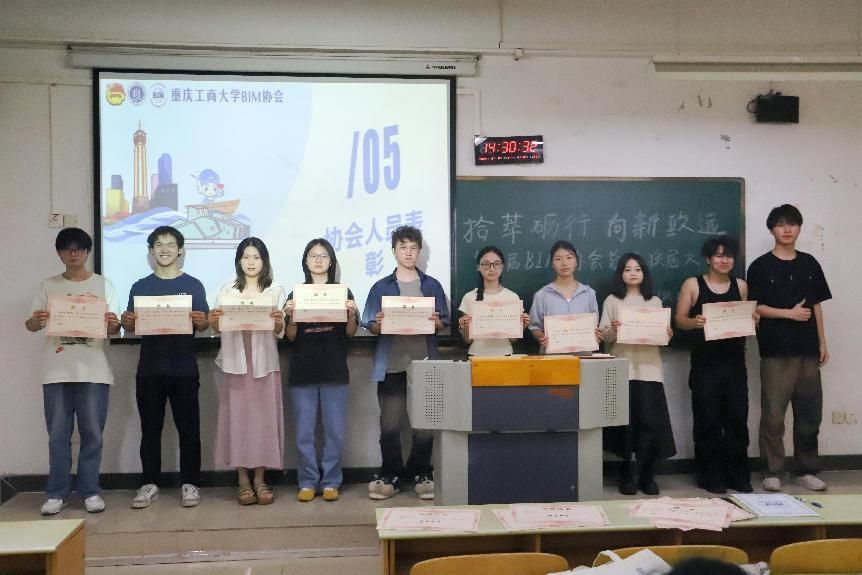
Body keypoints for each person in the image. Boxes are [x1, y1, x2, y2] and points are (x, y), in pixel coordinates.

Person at [26, 228, 121, 515]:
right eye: (67, 249)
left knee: (93, 435)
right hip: (57, 371)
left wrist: (113, 324)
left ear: (88, 252)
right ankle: (57, 493)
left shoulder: (104, 284)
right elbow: (30, 325)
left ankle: (90, 491)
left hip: (94, 371)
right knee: (58, 435)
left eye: (79, 248)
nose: (74, 253)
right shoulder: (48, 286)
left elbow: (114, 329)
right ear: (59, 253)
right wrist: (37, 320)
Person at [121, 226, 209, 509]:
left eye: (171, 244)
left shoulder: (193, 285)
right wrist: (126, 322)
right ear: (151, 251)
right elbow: (129, 326)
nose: (165, 249)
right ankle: (149, 484)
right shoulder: (140, 287)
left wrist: (202, 322)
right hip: (149, 370)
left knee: (189, 431)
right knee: (150, 430)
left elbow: (204, 324)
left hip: (184, 369)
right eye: (159, 244)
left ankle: (191, 483)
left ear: (180, 250)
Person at [747, 204, 831, 492]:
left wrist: (822, 342)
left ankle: (805, 470)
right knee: (773, 415)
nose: (787, 229)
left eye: (792, 224)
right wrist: (788, 314)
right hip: (775, 350)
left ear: (799, 229)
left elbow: (816, 305)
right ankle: (772, 471)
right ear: (772, 229)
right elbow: (754, 306)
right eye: (781, 224)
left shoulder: (810, 263)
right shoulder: (760, 266)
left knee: (809, 414)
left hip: (808, 349)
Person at [361, 225, 450, 500]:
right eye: (403, 247)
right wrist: (378, 324)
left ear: (419, 251)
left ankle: (422, 472)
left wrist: (437, 323)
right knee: (390, 424)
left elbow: (444, 322)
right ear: (394, 251)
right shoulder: (381, 287)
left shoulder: (432, 285)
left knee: (425, 425)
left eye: (413, 247)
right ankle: (390, 474)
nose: (408, 252)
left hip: (425, 364)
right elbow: (370, 324)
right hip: (391, 364)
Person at [209, 237, 285, 506]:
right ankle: (242, 480)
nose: (251, 262)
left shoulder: (275, 290)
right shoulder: (226, 290)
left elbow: (280, 331)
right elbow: (217, 328)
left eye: (256, 257)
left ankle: (260, 479)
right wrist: (214, 321)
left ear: (264, 261)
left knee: (263, 421)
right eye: (246, 257)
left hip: (264, 362)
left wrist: (278, 322)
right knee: (238, 420)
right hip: (235, 362)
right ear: (238, 261)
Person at [675, 235, 753, 494]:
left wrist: (752, 319)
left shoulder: (741, 286)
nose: (724, 260)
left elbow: (745, 319)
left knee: (737, 419)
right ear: (709, 259)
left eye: (728, 256)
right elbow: (679, 319)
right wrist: (694, 322)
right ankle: (711, 476)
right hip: (705, 363)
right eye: (719, 255)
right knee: (707, 419)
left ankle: (738, 475)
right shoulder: (693, 284)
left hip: (734, 362)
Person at [284, 239, 358, 503]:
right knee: (304, 433)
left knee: (334, 432)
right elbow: (290, 336)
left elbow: (350, 333)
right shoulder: (296, 294)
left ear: (331, 261)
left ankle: (330, 481)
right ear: (305, 261)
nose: (318, 260)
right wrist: (292, 317)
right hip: (302, 371)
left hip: (334, 370)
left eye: (323, 255)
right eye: (313, 255)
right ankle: (306, 481)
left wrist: (352, 314)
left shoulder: (342, 292)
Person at [600, 253, 675, 495]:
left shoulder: (654, 301)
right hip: (623, 368)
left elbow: (661, 337)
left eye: (637, 269)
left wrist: (667, 334)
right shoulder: (612, 300)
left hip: (650, 370)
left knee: (650, 423)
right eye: (627, 269)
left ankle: (647, 474)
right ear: (620, 274)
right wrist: (613, 330)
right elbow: (602, 336)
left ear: (644, 273)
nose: (633, 273)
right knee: (625, 424)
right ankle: (626, 473)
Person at [528, 240, 600, 353]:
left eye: (569, 257)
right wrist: (541, 337)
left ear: (576, 261)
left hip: (583, 356)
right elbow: (535, 327)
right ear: (552, 264)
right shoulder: (542, 295)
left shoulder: (589, 294)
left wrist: (596, 335)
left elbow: (594, 326)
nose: (564, 263)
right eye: (558, 259)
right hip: (553, 358)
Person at [457, 246, 529, 356]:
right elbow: (468, 340)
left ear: (502, 266)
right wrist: (465, 326)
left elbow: (513, 339)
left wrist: (522, 325)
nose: (491, 269)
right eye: (486, 264)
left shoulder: (512, 297)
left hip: (505, 355)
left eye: (496, 264)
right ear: (478, 267)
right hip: (476, 355)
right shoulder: (469, 297)